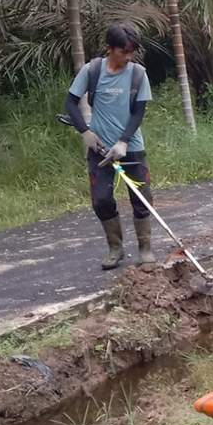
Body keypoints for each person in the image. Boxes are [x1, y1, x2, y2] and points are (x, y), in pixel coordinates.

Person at [64, 23, 156, 269]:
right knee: (101, 200)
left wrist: (123, 141)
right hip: (99, 149)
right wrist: (86, 133)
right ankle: (115, 248)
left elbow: (139, 112)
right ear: (110, 48)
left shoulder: (138, 74)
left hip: (131, 147)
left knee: (142, 197)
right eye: (123, 52)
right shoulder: (92, 70)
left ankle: (145, 249)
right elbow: (71, 103)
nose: (128, 57)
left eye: (131, 52)